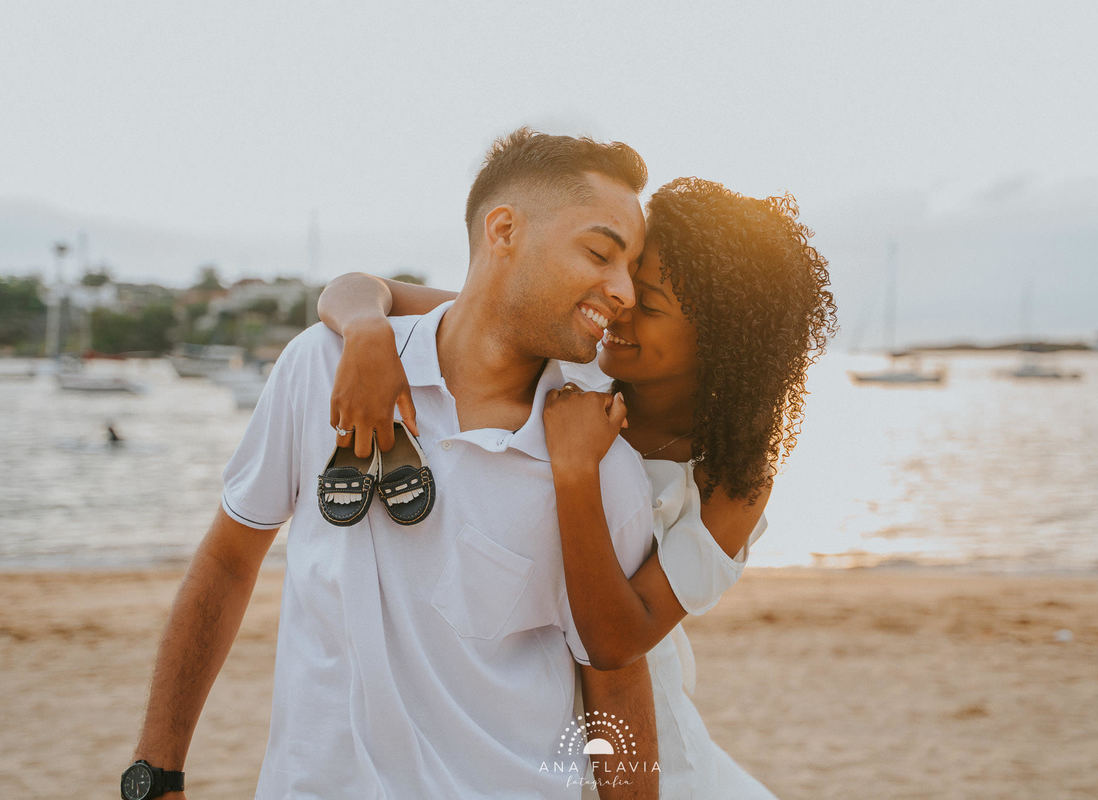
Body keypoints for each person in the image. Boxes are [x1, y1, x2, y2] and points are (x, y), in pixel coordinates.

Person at [126, 129, 662, 800]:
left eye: (630, 270)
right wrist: (156, 770)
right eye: (599, 253)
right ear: (503, 231)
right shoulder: (323, 366)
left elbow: (614, 675)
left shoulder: (601, 465)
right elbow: (230, 560)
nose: (622, 292)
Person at [318, 177, 836, 798]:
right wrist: (366, 331)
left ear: (718, 340)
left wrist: (576, 470)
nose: (617, 305)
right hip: (504, 707)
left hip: (632, 748)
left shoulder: (733, 477)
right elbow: (362, 289)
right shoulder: (568, 337)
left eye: (648, 303)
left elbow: (616, 641)